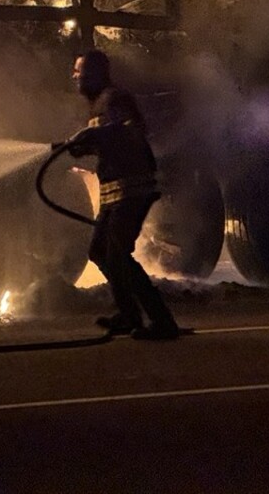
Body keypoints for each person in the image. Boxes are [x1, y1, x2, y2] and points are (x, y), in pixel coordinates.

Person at [65, 49, 180, 340]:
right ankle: (129, 315)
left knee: (117, 253)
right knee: (99, 251)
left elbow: (130, 130)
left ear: (95, 74)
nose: (74, 77)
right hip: (113, 192)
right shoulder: (97, 105)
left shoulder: (116, 98)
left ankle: (162, 321)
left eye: (79, 71)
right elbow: (108, 140)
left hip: (133, 189)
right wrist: (85, 146)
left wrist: (93, 137)